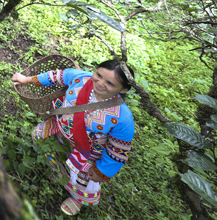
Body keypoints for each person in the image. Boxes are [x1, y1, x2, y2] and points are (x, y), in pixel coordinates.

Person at [11, 60, 135, 216]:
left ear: (123, 89)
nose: (100, 83)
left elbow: (118, 150)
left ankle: (78, 199)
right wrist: (27, 79)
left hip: (87, 151)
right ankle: (57, 171)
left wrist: (102, 171)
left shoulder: (122, 117)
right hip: (61, 129)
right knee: (46, 143)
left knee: (83, 177)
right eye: (98, 75)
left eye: (110, 83)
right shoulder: (79, 78)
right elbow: (55, 76)